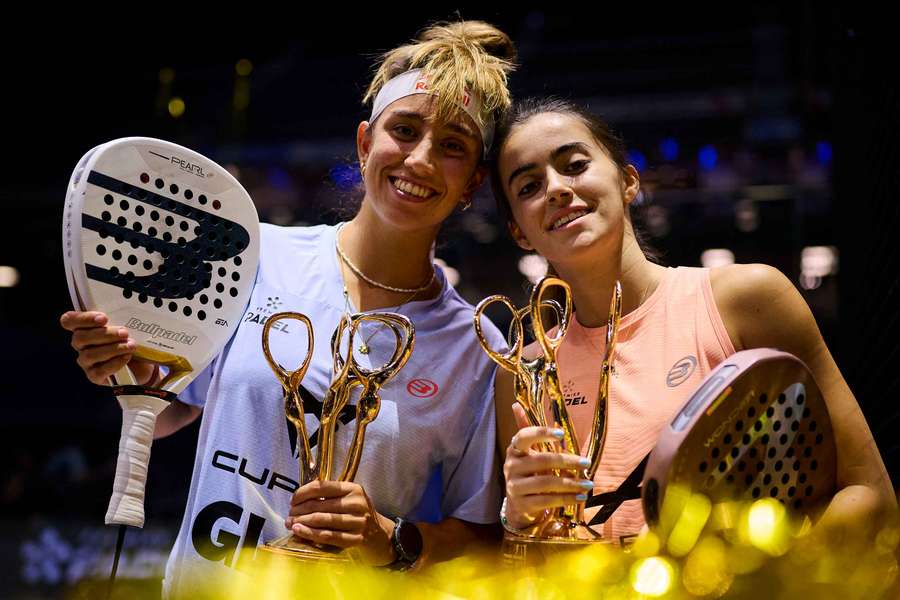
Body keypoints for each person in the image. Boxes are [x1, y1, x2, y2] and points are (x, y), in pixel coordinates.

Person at [60, 21, 516, 595]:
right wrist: (134, 375)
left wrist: (390, 538)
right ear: (365, 142)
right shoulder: (255, 257)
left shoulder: (478, 351)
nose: (421, 160)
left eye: (453, 146)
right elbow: (170, 409)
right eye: (404, 129)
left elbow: (482, 538)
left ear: (473, 180)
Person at [490, 97, 895, 545]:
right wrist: (520, 520)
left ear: (628, 181)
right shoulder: (520, 373)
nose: (556, 188)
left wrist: (737, 576)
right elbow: (524, 561)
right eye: (528, 187)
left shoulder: (745, 300)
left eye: (575, 164)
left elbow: (869, 494)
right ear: (519, 232)